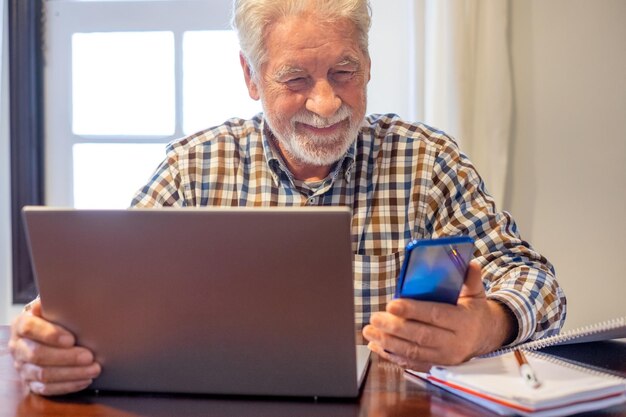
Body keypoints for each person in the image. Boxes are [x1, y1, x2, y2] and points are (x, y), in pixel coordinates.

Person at [9, 0, 566, 396]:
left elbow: (538, 284)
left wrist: (483, 325)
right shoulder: (192, 169)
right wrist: (50, 344)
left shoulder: (425, 161)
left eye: (344, 72)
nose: (325, 104)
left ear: (368, 65)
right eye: (295, 79)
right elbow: (105, 301)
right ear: (251, 77)